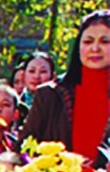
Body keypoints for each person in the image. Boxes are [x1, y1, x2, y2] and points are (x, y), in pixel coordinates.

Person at [21, 9, 110, 163]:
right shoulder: (50, 94)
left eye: (105, 41)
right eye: (88, 41)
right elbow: (23, 149)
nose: (94, 48)